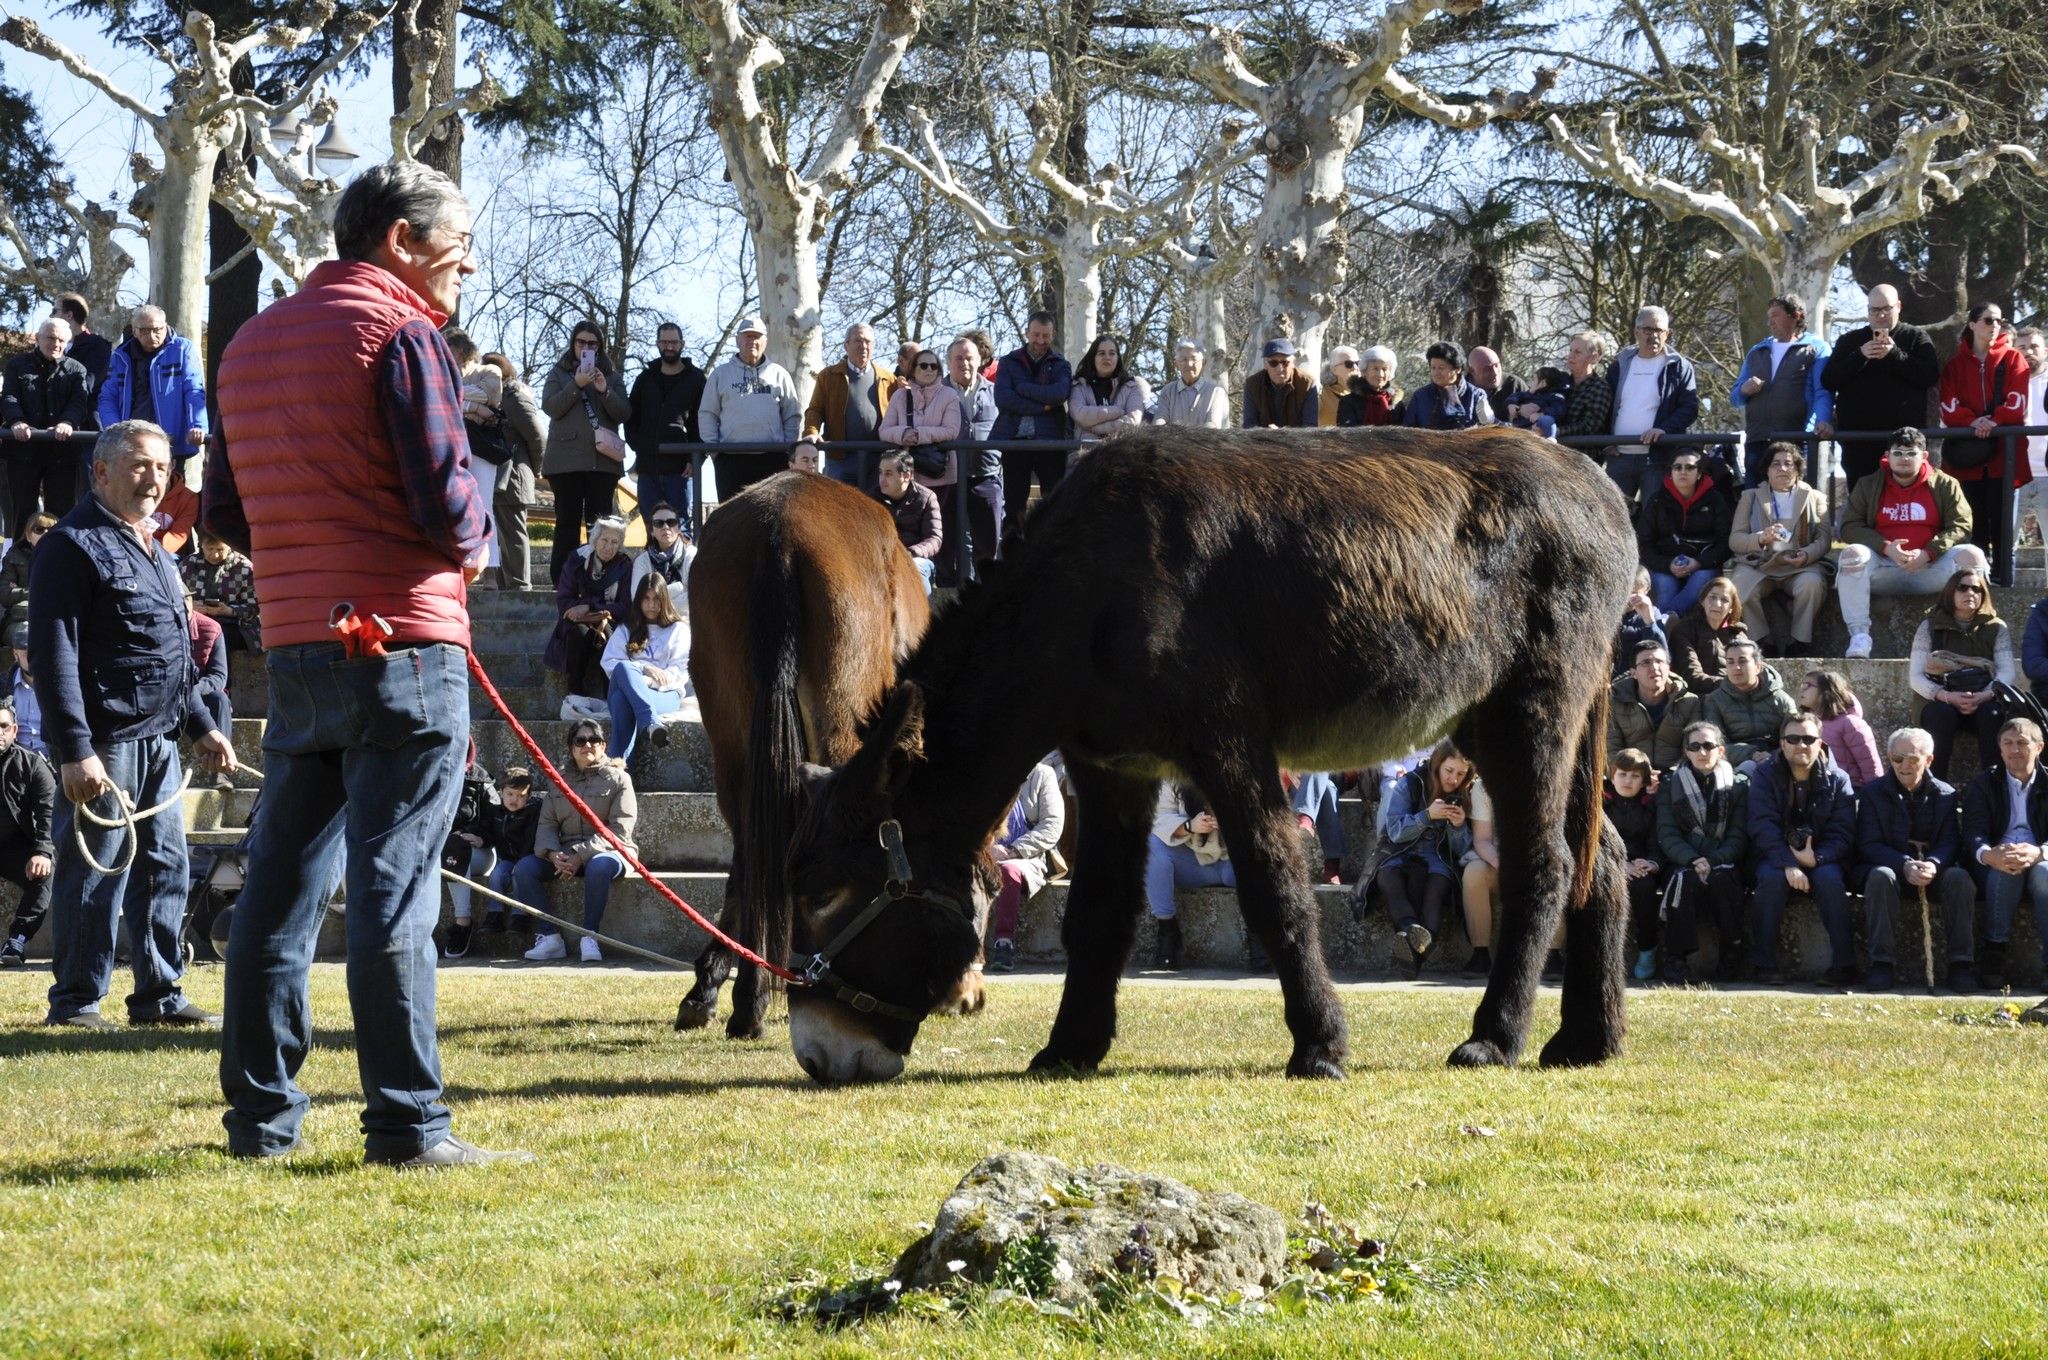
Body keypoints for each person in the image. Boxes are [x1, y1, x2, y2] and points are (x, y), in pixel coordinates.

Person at [206, 162, 521, 1169]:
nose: (467, 258)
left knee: (275, 892)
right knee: (396, 893)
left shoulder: (250, 342)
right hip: (406, 644)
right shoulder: (403, 333)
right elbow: (445, 506)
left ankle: (260, 1123)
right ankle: (408, 1125)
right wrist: (477, 528)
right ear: (399, 240)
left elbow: (221, 516)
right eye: (456, 239)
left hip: (300, 640)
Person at [34, 420, 234, 1028]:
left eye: (162, 468)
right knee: (96, 873)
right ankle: (77, 1001)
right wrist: (74, 748)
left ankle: (160, 995)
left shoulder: (156, 547)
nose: (154, 480)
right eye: (140, 466)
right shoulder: (69, 546)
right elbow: (54, 652)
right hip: (104, 743)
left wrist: (201, 724)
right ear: (101, 471)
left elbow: (171, 647)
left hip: (161, 741)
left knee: (164, 870)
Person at [1836, 427, 1988, 658]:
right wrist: (1886, 547)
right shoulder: (1868, 484)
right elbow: (1849, 526)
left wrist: (1929, 552)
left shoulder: (1946, 484)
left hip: (1931, 569)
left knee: (1972, 556)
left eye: (1911, 453)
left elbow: (1961, 526)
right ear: (1888, 456)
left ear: (1924, 456)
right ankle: (1859, 636)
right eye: (1898, 453)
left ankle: (1973, 632)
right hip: (1884, 568)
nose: (1904, 459)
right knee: (1851, 554)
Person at [1855, 726, 1976, 992]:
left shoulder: (1945, 794)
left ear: (1929, 760)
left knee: (1959, 878)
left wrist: (1933, 864)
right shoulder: (1872, 794)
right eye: (1897, 759)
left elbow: (1950, 842)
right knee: (1880, 877)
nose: (1904, 765)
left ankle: (1961, 964)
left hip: (1930, 870)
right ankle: (1882, 964)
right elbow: (1868, 844)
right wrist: (1904, 864)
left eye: (1912, 758)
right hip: (1892, 868)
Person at [1748, 711, 1858, 986]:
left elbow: (1843, 832)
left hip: (1824, 856)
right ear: (1782, 743)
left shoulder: (1838, 778)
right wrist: (1789, 862)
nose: (1801, 745)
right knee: (1772, 880)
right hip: (1776, 857)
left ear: (1820, 742)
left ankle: (1844, 966)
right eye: (1793, 738)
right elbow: (1762, 827)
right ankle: (1764, 964)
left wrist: (1815, 858)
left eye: (1808, 738)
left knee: (1831, 880)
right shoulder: (1764, 775)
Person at [514, 718, 636, 964]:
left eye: (593, 740)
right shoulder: (558, 781)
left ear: (603, 745)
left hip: (610, 851)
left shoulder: (620, 780)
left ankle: (589, 936)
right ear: (571, 747)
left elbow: (619, 829)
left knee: (599, 865)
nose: (587, 745)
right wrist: (552, 855)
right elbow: (547, 824)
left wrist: (582, 854)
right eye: (580, 740)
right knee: (525, 869)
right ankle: (549, 937)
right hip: (567, 853)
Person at [1937, 302, 2032, 579]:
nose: (1995, 326)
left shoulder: (2014, 358)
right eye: (1989, 320)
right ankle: (1972, 586)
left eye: (2000, 321)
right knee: (1972, 526)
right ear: (1972, 324)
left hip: (2005, 457)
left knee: (2003, 529)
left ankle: (2004, 588)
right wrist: (1971, 421)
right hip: (1967, 460)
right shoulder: (1954, 365)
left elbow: (2017, 403)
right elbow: (1948, 405)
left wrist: (1993, 421)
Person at [1654, 721, 1748, 981]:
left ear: (1721, 750)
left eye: (1708, 745)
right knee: (1683, 881)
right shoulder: (1670, 784)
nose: (1702, 752)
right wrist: (1694, 860)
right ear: (1686, 751)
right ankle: (1676, 960)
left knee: (1724, 879)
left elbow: (1738, 835)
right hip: (1683, 859)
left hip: (1722, 858)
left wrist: (1713, 859)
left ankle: (1731, 955)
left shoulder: (1738, 786)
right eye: (1694, 746)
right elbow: (1667, 833)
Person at [1821, 283, 1941, 488]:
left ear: (1899, 307)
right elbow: (1829, 379)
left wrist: (1895, 355)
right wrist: (1860, 356)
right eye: (1875, 310)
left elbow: (1929, 376)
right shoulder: (1850, 341)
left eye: (1887, 309)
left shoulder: (1916, 337)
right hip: (1858, 444)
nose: (1881, 315)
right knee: (1862, 510)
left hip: (1904, 445)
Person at [541, 321, 631, 589]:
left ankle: (600, 579)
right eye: (581, 342)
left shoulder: (612, 376)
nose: (586, 347)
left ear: (600, 347)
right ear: (573, 344)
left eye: (592, 343)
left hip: (601, 464)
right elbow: (551, 407)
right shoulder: (558, 373)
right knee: (566, 522)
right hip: (564, 463)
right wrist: (576, 384)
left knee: (600, 525)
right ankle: (562, 581)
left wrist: (604, 390)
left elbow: (624, 413)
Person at [1962, 716, 2048, 990]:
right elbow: (1973, 831)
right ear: (1999, 748)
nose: (2014, 750)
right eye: (2007, 743)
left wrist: (2039, 853)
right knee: (2005, 871)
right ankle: (1994, 952)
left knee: (2046, 874)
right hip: (1997, 854)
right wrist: (1989, 855)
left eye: (2022, 743)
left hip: (2041, 854)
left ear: (2039, 747)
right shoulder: (1984, 782)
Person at [1372, 741, 1474, 971]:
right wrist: (1427, 816)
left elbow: (1462, 850)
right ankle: (1410, 930)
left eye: (1460, 774)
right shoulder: (1410, 783)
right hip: (1399, 850)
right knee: (1388, 877)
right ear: (1437, 765)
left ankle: (1412, 956)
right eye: (1449, 771)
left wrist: (1458, 827)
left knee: (1435, 889)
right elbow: (1396, 832)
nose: (1453, 779)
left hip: (1437, 856)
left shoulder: (1464, 793)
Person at [1908, 567, 2014, 781]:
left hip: (1983, 697)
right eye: (1962, 588)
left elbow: (2007, 671)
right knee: (1941, 715)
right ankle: (1935, 787)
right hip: (1940, 698)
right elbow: (1915, 676)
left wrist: (1984, 696)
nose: (1970, 593)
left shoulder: (1996, 627)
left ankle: (1993, 787)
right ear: (1950, 592)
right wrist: (1946, 696)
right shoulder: (1929, 626)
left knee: (1993, 715)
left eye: (1977, 589)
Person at [1726, 442, 1830, 657]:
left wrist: (1807, 554)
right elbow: (1735, 540)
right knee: (1738, 585)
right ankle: (1761, 641)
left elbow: (1824, 539)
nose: (1783, 468)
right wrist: (1760, 538)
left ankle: (1799, 643)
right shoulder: (1750, 497)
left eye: (1789, 464)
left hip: (1800, 566)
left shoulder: (1816, 497)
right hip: (1759, 564)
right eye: (1776, 464)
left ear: (1798, 469)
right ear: (1767, 470)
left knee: (1812, 584)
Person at [1729, 294, 1833, 484]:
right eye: (1768, 317)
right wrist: (1744, 389)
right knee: (1756, 503)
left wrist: (1823, 420)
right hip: (1757, 441)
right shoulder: (1757, 351)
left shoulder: (1817, 348)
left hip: (1796, 441)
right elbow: (1734, 398)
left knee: (1795, 506)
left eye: (1775, 316)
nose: (1769, 322)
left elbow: (1823, 391)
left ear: (1796, 316)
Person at [2, 317, 92, 536]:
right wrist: (17, 421)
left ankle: (59, 561)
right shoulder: (17, 365)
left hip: (61, 453)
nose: (56, 344)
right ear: (39, 338)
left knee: (61, 512)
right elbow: (9, 396)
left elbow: (79, 402)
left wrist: (67, 422)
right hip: (22, 452)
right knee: (21, 512)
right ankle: (18, 564)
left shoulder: (76, 369)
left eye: (61, 340)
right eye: (51, 338)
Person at [699, 315, 801, 502]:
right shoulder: (720, 374)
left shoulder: (779, 374)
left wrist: (786, 448)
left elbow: (792, 415)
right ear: (738, 340)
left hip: (773, 461)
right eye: (747, 336)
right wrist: (716, 452)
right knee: (732, 522)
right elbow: (707, 414)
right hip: (730, 462)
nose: (752, 341)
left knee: (771, 519)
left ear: (766, 341)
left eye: (757, 336)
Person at [1604, 306, 1700, 501]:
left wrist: (1664, 429)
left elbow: (1689, 407)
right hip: (1619, 456)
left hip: (1658, 458)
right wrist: (1606, 439)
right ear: (1636, 331)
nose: (1654, 336)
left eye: (1660, 331)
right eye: (1648, 329)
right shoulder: (1619, 365)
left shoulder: (1680, 366)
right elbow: (1605, 403)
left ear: (1668, 333)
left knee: (1654, 518)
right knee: (1612, 518)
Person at [990, 311, 1074, 527]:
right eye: (1036, 335)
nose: (1040, 341)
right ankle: (1012, 556)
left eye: (1045, 336)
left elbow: (1059, 393)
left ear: (1053, 335)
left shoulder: (1060, 364)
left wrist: (1024, 389)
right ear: (1027, 333)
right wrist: (1043, 405)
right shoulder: (1009, 362)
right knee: (1014, 507)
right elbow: (1004, 398)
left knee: (1054, 506)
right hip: (1014, 442)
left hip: (1050, 442)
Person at [95, 304, 207, 464]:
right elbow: (108, 397)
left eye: (157, 329)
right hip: (132, 441)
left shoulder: (182, 349)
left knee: (172, 487)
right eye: (144, 330)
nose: (152, 335)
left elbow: (194, 390)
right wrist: (114, 430)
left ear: (165, 326)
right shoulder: (120, 356)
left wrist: (197, 425)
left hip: (172, 440)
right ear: (134, 331)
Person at [985, 759, 1066, 972]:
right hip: (985, 851)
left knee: (1009, 870)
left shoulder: (1042, 775)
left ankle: (1004, 944)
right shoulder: (987, 770)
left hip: (1027, 856)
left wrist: (1014, 850)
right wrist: (988, 849)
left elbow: (1052, 825)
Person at [1146, 781, 1234, 971]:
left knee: (1260, 858)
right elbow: (1159, 818)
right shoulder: (1173, 772)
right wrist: (1189, 826)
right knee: (1151, 846)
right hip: (1192, 863)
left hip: (1234, 863)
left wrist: (1232, 819)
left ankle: (1260, 939)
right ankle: (1167, 932)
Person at [625, 322, 705, 530]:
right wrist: (638, 445)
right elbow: (631, 416)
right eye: (664, 342)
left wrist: (696, 459)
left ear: (682, 344)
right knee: (651, 528)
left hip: (680, 470)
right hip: (648, 468)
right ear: (658, 344)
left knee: (681, 526)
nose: (669, 346)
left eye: (673, 342)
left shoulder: (696, 380)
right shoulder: (645, 378)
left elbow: (704, 422)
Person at [602, 574, 690, 763]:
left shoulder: (678, 629)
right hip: (637, 690)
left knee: (620, 700)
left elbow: (680, 670)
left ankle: (618, 771)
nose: (651, 605)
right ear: (639, 600)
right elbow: (609, 662)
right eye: (646, 599)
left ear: (664, 600)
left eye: (657, 599)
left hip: (666, 695)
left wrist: (648, 681)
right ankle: (650, 723)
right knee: (623, 668)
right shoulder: (627, 628)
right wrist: (643, 669)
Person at [804, 322, 901, 490]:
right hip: (840, 458)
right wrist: (811, 432)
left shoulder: (888, 378)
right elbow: (815, 409)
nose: (863, 346)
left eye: (868, 342)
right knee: (839, 510)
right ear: (846, 345)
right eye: (858, 340)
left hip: (878, 459)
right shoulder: (828, 376)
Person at [546, 515, 632, 699]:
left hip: (610, 620)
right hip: (579, 621)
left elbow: (625, 606)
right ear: (595, 539)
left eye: (614, 542)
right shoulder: (577, 559)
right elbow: (564, 600)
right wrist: (582, 608)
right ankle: (575, 692)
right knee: (578, 633)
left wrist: (590, 606)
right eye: (604, 540)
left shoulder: (624, 565)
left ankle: (612, 697)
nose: (608, 547)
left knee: (610, 636)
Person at [1636, 451, 1731, 615]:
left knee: (1701, 580)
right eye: (1677, 467)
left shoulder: (1715, 499)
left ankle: (1663, 621)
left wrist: (1699, 562)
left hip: (1704, 564)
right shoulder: (1657, 500)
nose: (1683, 471)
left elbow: (1725, 542)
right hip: (1664, 563)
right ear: (1671, 473)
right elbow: (1644, 543)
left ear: (1699, 473)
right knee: (1665, 586)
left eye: (1690, 467)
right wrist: (1667, 564)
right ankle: (1666, 624)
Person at [941, 335, 1003, 580]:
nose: (964, 363)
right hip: (948, 478)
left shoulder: (996, 392)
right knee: (946, 543)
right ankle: (944, 593)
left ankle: (986, 596)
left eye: (969, 358)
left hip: (986, 477)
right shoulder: (937, 393)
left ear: (979, 361)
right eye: (958, 358)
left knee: (988, 543)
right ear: (949, 362)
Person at [482, 351, 545, 591]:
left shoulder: (514, 397)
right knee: (499, 534)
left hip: (514, 475)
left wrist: (535, 469)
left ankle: (520, 586)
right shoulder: (492, 399)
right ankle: (505, 584)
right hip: (495, 475)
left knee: (513, 533)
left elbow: (538, 436)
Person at [0, 704, 55, 968]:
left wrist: (42, 850)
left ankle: (17, 940)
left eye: (3, 726)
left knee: (45, 873)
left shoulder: (32, 764)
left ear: (14, 730)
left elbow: (48, 812)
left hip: (16, 849)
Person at [1603, 748, 1663, 983]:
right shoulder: (1601, 804)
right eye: (1622, 774)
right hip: (1607, 865)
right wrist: (1620, 866)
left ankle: (1647, 950)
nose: (1627, 781)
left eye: (1635, 776)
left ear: (1644, 780)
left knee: (1645, 887)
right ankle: (1603, 955)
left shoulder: (1651, 806)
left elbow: (1657, 843)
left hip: (1640, 867)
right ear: (1612, 775)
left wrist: (1651, 863)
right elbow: (1595, 844)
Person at [436, 754, 499, 960]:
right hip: (435, 854)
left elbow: (496, 819)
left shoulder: (480, 778)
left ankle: (463, 922)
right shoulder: (424, 772)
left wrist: (480, 836)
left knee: (455, 847)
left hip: (476, 853)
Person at [1702, 638, 1798, 769]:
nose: (1736, 667)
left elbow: (1795, 738)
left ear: (1758, 666)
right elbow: (1714, 745)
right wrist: (1752, 754)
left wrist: (1773, 755)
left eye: (1742, 661)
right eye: (1730, 662)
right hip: (1734, 764)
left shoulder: (1781, 700)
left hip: (1777, 760)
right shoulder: (1715, 701)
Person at [1608, 642, 1702, 771]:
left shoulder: (1689, 702)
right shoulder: (1615, 703)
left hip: (1676, 776)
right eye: (1646, 662)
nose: (1654, 667)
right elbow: (1611, 750)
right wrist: (1638, 775)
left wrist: (1673, 774)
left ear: (1668, 669)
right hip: (1632, 777)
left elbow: (1693, 748)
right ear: (1633, 673)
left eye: (1660, 661)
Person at [1665, 574, 1749, 696]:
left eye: (1724, 600)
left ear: (1731, 607)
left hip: (1734, 696)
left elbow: (1752, 671)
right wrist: (1733, 684)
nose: (1717, 604)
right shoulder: (1685, 629)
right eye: (1712, 597)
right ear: (1702, 601)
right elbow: (1692, 676)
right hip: (1696, 697)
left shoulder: (1738, 635)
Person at [1798, 668, 1882, 790]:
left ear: (1825, 690)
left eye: (1808, 685)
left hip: (1849, 789)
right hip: (1815, 788)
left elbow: (1870, 765)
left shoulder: (1850, 723)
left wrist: (1875, 796)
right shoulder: (1806, 723)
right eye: (1802, 684)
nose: (1802, 689)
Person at [479, 767, 540, 936]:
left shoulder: (533, 812)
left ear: (529, 796)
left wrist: (521, 861)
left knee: (518, 874)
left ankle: (520, 915)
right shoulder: (496, 812)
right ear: (501, 793)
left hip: (528, 857)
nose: (515, 800)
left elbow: (530, 839)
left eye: (521, 796)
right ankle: (495, 914)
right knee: (497, 875)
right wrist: (481, 839)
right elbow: (489, 833)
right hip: (507, 858)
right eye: (510, 794)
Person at [180, 527, 261, 653]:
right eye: (210, 549)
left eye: (220, 549)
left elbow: (254, 608)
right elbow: (174, 600)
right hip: (195, 620)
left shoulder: (244, 568)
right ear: (201, 545)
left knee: (216, 634)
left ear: (229, 546)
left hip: (236, 626)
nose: (215, 555)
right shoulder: (188, 565)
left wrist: (229, 611)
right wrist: (189, 606)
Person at [872, 451, 943, 595]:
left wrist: (910, 553)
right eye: (880, 473)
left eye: (889, 474)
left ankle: (920, 617)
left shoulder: (927, 498)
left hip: (916, 559)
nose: (882, 479)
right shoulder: (871, 498)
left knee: (915, 572)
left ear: (907, 476)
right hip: (881, 559)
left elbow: (934, 539)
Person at [1068, 335, 1149, 446]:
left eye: (1112, 353)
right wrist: (1118, 411)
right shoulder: (1079, 385)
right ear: (1093, 357)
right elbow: (1080, 415)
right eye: (1101, 353)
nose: (1107, 357)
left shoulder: (1131, 386)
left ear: (1117, 358)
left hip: (1121, 449)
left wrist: (1097, 428)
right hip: (1085, 451)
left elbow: (1132, 421)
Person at [1404, 341, 1496, 431]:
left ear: (1458, 369)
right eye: (1433, 368)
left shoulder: (1475, 395)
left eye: (1441, 368)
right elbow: (1408, 430)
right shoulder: (1420, 396)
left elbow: (1487, 429)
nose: (1436, 373)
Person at [1555, 329, 1617, 454]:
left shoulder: (1600, 388)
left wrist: (1555, 431)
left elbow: (1589, 426)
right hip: (1554, 454)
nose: (1571, 356)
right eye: (1570, 350)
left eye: (1577, 352)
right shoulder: (1559, 383)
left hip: (1581, 458)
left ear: (1594, 358)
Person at [0, 512, 55, 651]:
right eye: (39, 529)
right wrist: (40, 590)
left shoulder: (69, 558)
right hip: (20, 620)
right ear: (29, 535)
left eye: (52, 529)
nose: (46, 533)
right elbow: (5, 595)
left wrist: (20, 590)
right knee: (28, 638)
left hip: (55, 620)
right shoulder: (13, 557)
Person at [2014, 327, 2048, 546]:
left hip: (2047, 474)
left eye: (2034, 346)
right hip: (2014, 475)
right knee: (2004, 548)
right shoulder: (2007, 383)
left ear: (2045, 350)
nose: (2028, 352)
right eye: (2022, 348)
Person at [1243, 337, 1319, 428]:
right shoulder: (1252, 385)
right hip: (1263, 440)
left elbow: (1310, 427)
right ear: (1265, 365)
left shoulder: (1307, 384)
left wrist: (1280, 435)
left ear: (1293, 363)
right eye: (1273, 363)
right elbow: (1249, 425)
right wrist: (1266, 433)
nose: (1280, 369)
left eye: (1285, 362)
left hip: (1297, 441)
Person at [1152, 339, 1229, 428]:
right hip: (1171, 441)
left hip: (1204, 441)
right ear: (1176, 364)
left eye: (1194, 359)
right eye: (1184, 359)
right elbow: (1159, 421)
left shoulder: (1216, 392)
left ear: (1204, 362)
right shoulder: (1168, 391)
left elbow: (1212, 426)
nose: (1189, 364)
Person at [630, 501, 694, 594]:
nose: (666, 527)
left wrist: (654, 595)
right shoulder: (642, 561)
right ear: (651, 531)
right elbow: (639, 600)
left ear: (679, 528)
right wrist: (679, 588)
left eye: (671, 522)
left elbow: (695, 598)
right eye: (659, 523)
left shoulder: (691, 555)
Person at [50, 293, 111, 390]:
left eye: (54, 311)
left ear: (69, 315)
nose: (50, 316)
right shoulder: (50, 346)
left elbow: (86, 385)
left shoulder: (97, 346)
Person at [1613, 567, 1667, 676]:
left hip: (1636, 675)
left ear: (1646, 590)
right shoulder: (1608, 612)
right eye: (1623, 593)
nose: (1627, 599)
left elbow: (1662, 652)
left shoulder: (1652, 612)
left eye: (1634, 593)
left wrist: (1649, 621)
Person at [1502, 367, 1569, 438]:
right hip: (1519, 426)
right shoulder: (1528, 394)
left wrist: (1542, 414)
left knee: (1547, 420)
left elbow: (1559, 409)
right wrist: (1511, 404)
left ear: (1543, 383)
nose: (1530, 383)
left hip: (1537, 428)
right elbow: (1515, 396)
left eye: (1533, 380)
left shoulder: (1555, 397)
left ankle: (1550, 438)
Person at [1468, 345, 1525, 423]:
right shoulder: (1461, 391)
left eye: (1496, 365)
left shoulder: (1515, 385)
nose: (1495, 372)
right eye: (1488, 369)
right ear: (1472, 371)